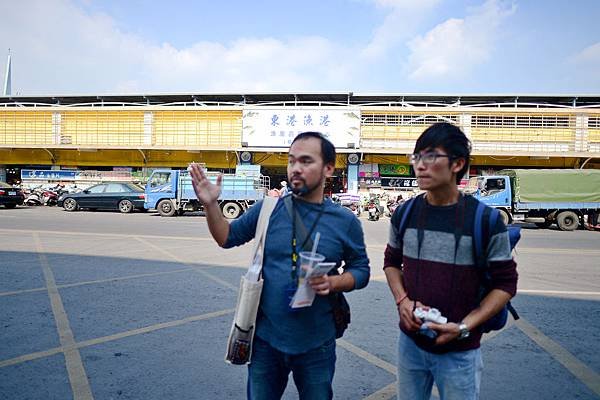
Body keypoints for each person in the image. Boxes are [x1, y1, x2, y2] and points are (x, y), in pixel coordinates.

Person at [189, 131, 370, 400]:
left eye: (306, 161)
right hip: (265, 342)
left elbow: (362, 270)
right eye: (291, 160)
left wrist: (334, 282)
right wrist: (211, 205)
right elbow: (226, 237)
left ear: (328, 168)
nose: (295, 168)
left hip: (317, 344)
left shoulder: (345, 221)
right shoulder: (268, 209)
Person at [383, 123, 518, 400]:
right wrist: (402, 301)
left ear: (457, 163)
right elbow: (391, 262)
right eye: (417, 157)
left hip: (460, 351)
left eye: (431, 156)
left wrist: (464, 327)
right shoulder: (405, 213)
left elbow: (506, 284)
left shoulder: (486, 221)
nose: (420, 165)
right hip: (410, 342)